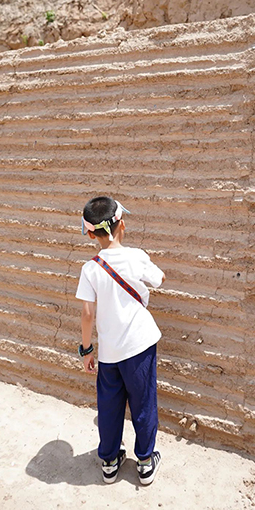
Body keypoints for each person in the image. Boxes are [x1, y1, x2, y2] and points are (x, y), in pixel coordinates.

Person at [75, 196, 165, 485]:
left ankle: (110, 462)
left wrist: (87, 350)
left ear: (91, 234)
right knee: (143, 403)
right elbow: (160, 279)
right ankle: (145, 463)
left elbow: (87, 314)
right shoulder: (136, 256)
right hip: (140, 346)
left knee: (109, 407)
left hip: (109, 353)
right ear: (121, 225)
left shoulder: (90, 269)